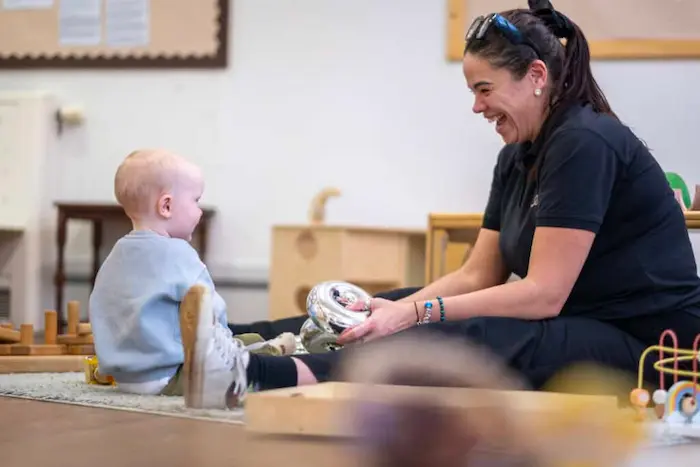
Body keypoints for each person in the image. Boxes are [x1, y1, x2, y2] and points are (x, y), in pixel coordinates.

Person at [181, 0, 700, 410]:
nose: (476, 105)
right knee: (393, 304)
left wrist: (415, 315)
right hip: (582, 325)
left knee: (467, 335)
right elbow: (478, 274)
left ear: (537, 76)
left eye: (484, 88)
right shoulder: (518, 155)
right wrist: (401, 309)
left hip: (651, 349)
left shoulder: (586, 142)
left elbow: (542, 295)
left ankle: (252, 376)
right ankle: (221, 343)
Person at [88, 149, 296, 396]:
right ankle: (269, 352)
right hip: (171, 375)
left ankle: (261, 348)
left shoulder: (117, 253)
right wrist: (226, 344)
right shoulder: (178, 253)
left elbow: (102, 310)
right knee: (245, 357)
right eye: (195, 200)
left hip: (125, 377)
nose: (199, 211)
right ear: (166, 206)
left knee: (249, 339)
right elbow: (209, 312)